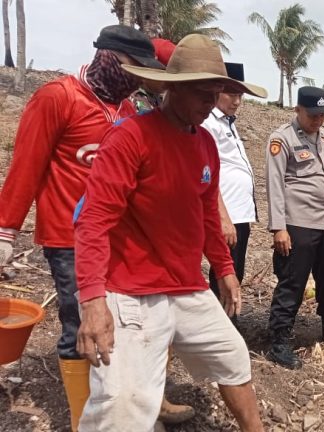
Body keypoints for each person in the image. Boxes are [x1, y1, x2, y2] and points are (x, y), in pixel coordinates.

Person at [0, 24, 192, 431]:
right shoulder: (58, 98)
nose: (141, 79)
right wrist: (5, 231)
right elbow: (27, 166)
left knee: (134, 321)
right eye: (136, 68)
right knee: (79, 326)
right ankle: (82, 417)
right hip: (67, 238)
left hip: (118, 240)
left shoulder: (126, 111)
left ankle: (141, 402)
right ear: (110, 58)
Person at [73, 34, 268, 432]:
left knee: (233, 357)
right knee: (124, 404)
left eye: (216, 93)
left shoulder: (206, 145)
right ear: (173, 88)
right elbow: (93, 220)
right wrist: (93, 301)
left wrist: (225, 269)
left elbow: (207, 216)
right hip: (128, 287)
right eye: (202, 93)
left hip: (184, 284)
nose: (211, 103)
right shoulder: (131, 137)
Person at [265, 86, 324, 369]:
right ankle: (279, 339)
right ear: (298, 110)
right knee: (292, 282)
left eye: (322, 114)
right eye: (312, 115)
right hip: (298, 224)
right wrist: (279, 228)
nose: (317, 120)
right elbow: (274, 185)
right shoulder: (282, 139)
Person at [202, 62, 258, 323]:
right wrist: (221, 216)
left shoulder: (227, 123)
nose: (236, 101)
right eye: (231, 94)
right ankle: (222, 328)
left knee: (236, 271)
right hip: (226, 214)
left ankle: (227, 325)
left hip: (238, 212)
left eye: (240, 96)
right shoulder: (209, 124)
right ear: (216, 91)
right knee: (224, 273)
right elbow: (208, 173)